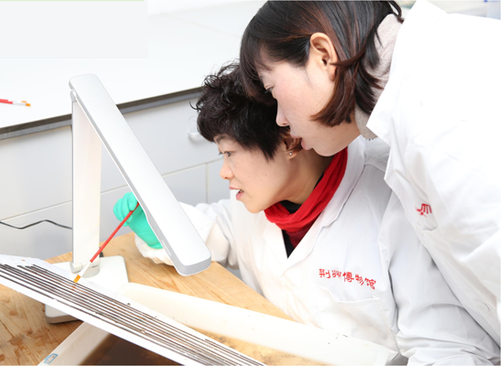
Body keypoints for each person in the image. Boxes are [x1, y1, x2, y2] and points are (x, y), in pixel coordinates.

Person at [114, 64, 499, 364]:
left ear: (290, 139)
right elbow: (223, 231)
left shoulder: (394, 203)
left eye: (229, 154)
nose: (224, 172)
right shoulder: (260, 199)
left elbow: (449, 350)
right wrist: (161, 229)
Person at [238, 0, 501, 345]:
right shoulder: (425, 83)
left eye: (273, 90)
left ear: (322, 55)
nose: (281, 120)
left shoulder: (442, 123)